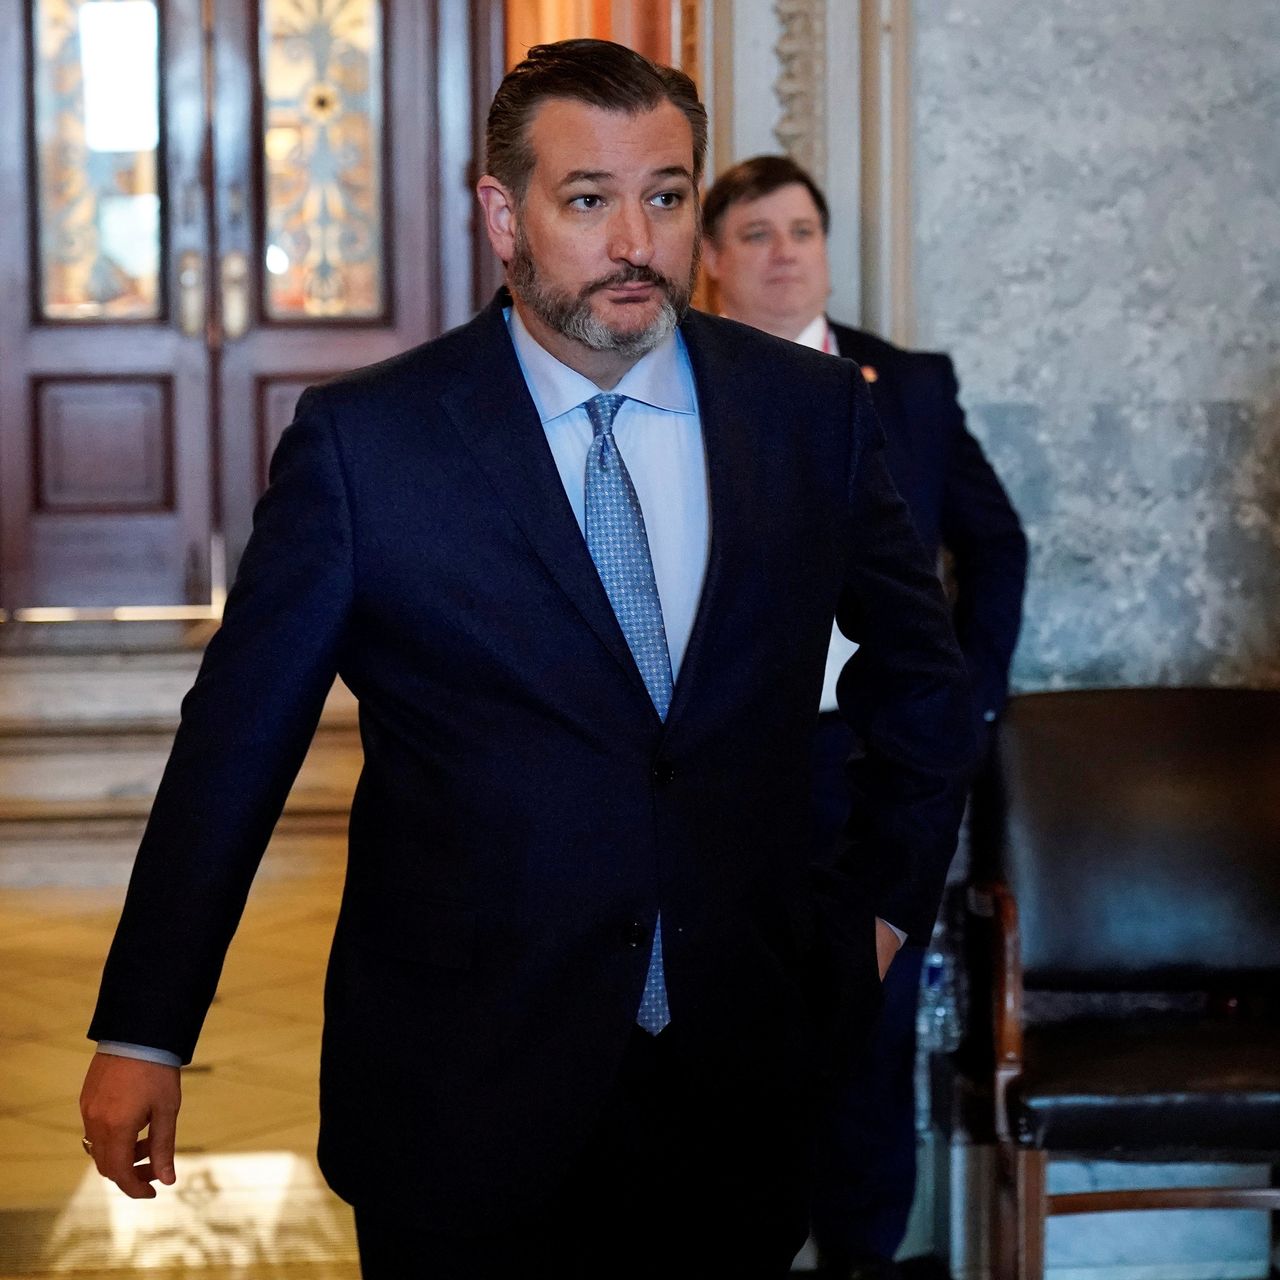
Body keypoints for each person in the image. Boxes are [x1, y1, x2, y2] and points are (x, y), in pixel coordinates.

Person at [79, 44, 975, 1280]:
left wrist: (877, 908)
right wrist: (147, 1025)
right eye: (588, 199)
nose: (635, 242)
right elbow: (236, 746)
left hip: (737, 1074)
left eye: (665, 196)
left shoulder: (804, 412)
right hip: (461, 1083)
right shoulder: (367, 445)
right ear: (504, 215)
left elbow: (922, 677)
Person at [703, 154, 1027, 1279]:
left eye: (801, 230)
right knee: (719, 1023)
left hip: (870, 762)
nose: (783, 252)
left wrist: (962, 707)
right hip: (717, 764)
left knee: (870, 1023)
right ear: (712, 260)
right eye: (755, 233)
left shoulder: (909, 386)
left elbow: (994, 542)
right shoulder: (670, 382)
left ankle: (859, 1258)